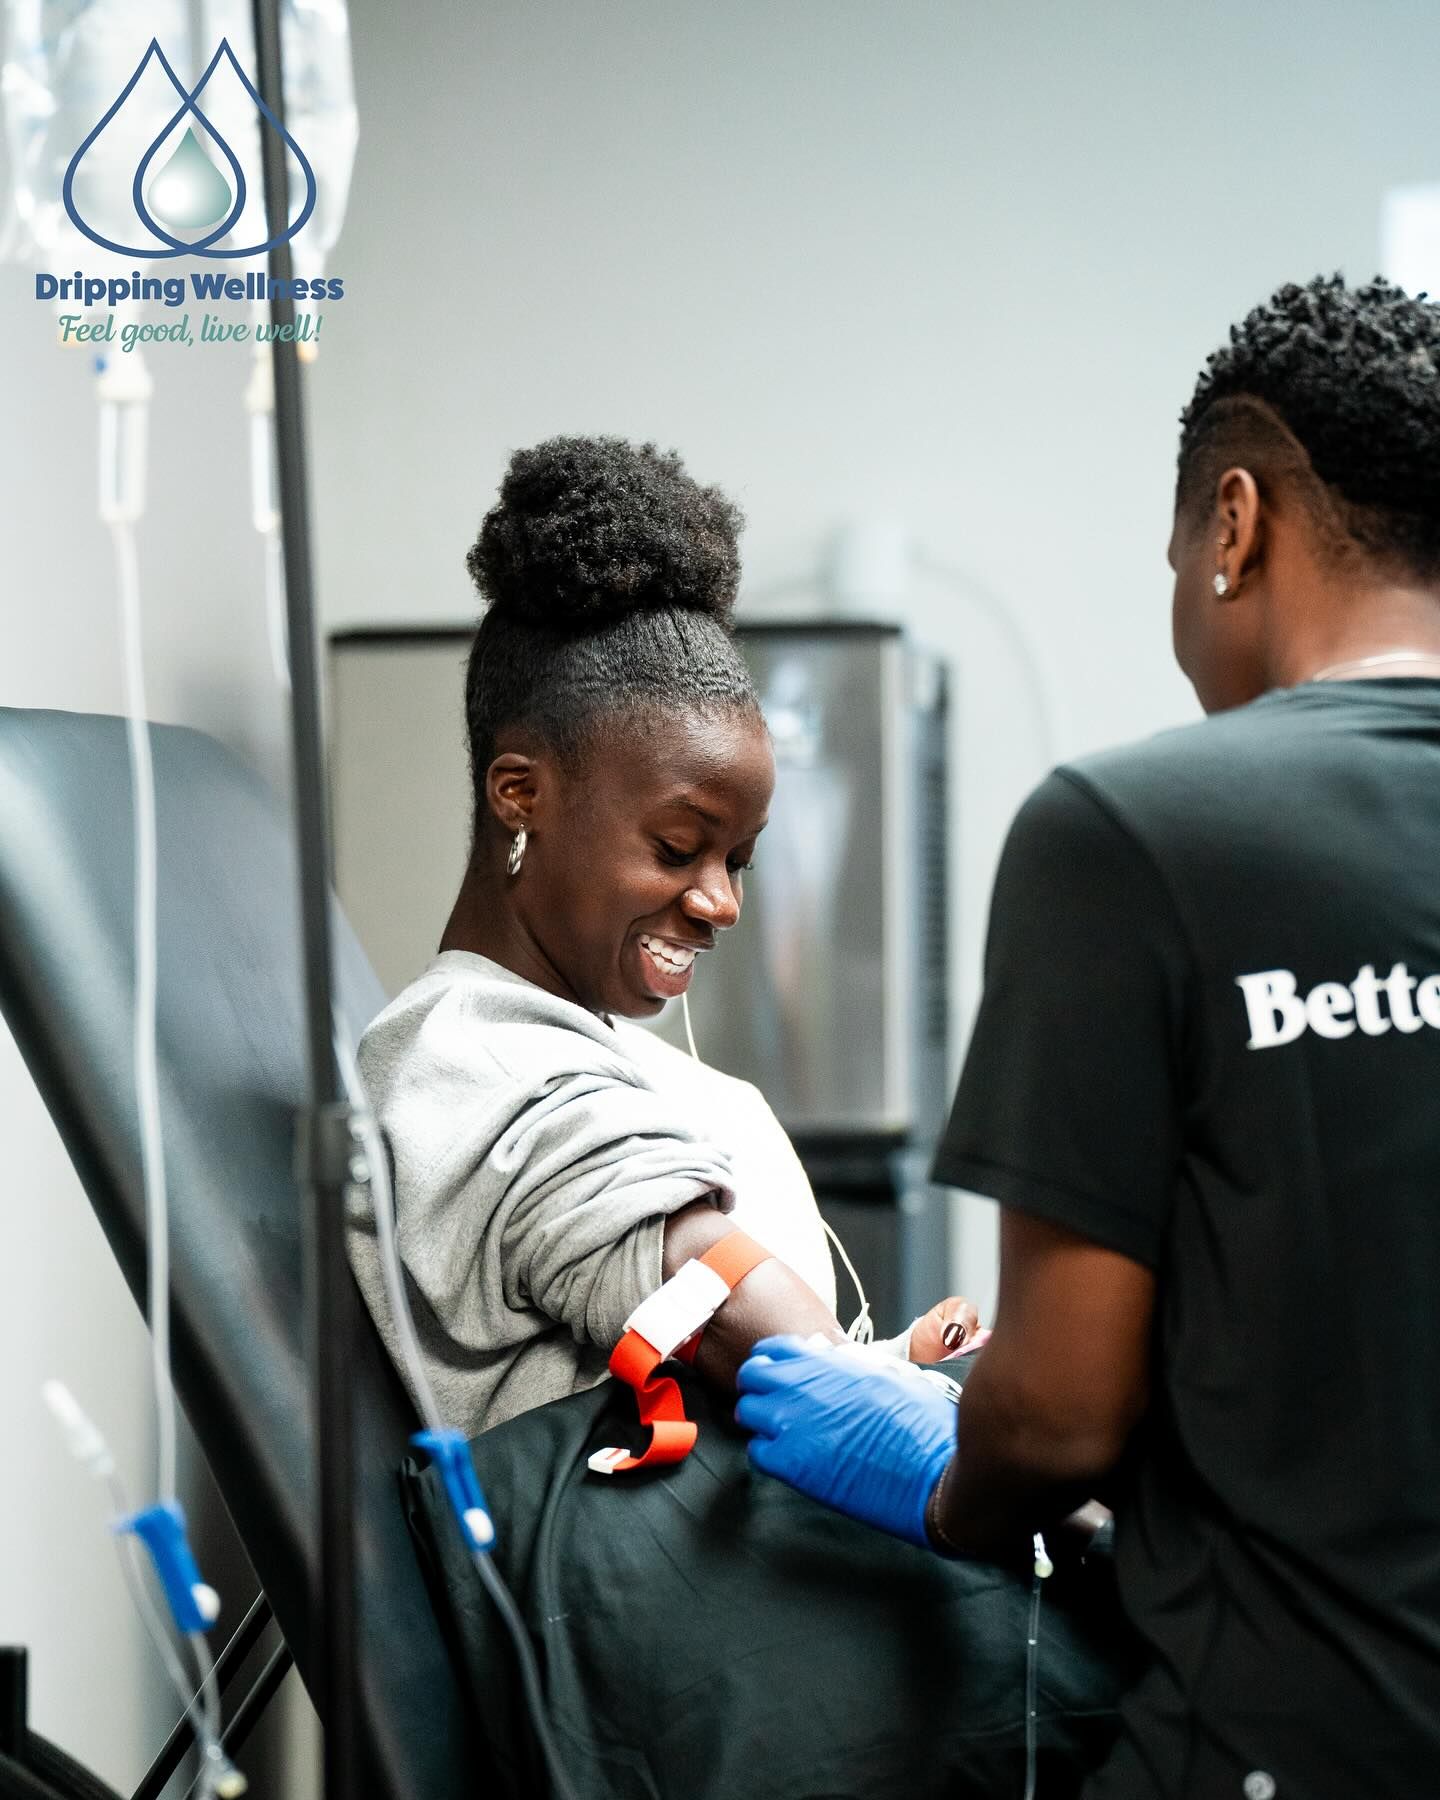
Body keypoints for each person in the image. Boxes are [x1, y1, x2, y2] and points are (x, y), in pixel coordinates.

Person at [735, 273, 1440, 1798]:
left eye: (1177, 558)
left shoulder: (1134, 833)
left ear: (1234, 525)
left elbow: (1056, 1418)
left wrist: (946, 1479)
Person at [346, 433, 977, 1437]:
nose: (721, 902)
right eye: (679, 848)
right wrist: (919, 1433)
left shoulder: (563, 1044)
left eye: (739, 861)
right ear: (520, 794)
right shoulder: (468, 1064)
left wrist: (887, 1366)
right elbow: (702, 1283)